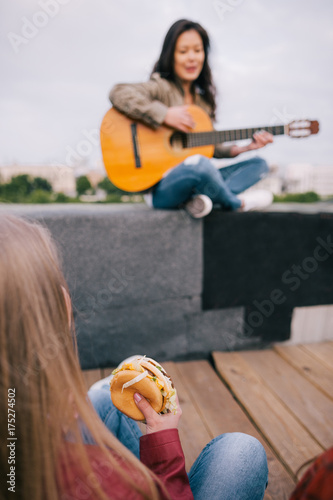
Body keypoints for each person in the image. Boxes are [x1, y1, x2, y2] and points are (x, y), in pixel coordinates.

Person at [0, 214, 268, 499]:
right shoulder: (112, 484)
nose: (66, 293)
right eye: (51, 284)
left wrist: (50, 415)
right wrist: (163, 445)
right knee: (241, 451)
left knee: (106, 396)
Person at [109, 19, 274, 218]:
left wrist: (245, 148)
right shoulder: (161, 87)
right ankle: (235, 203)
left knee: (259, 164)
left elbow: (211, 146)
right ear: (171, 55)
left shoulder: (203, 102)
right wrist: (164, 115)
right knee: (200, 165)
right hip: (163, 190)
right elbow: (119, 93)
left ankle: (199, 201)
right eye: (183, 51)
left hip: (197, 181)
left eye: (197, 50)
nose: (192, 58)